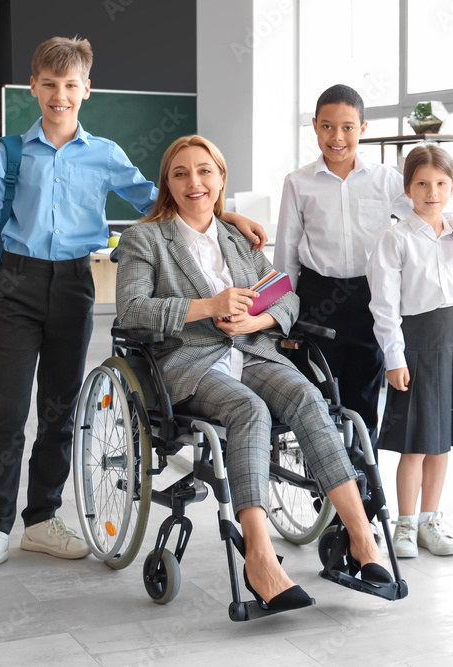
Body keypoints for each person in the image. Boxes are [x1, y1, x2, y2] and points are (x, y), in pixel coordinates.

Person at [0, 37, 265, 580]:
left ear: (86, 90)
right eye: (49, 85)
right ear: (34, 87)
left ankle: (41, 520)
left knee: (59, 408)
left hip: (74, 285)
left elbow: (164, 204)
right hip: (16, 286)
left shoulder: (104, 154)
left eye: (70, 86)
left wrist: (229, 217)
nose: (59, 95)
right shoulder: (7, 155)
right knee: (7, 410)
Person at [115, 134, 392, 612]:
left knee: (309, 398)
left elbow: (285, 294)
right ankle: (260, 557)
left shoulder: (237, 238)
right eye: (180, 173)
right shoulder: (146, 238)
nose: (194, 182)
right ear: (167, 183)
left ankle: (361, 537)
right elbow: (133, 310)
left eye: (205, 171)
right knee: (250, 410)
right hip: (189, 362)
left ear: (221, 178)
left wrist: (259, 320)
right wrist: (209, 306)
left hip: (253, 351)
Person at [274, 84, 453, 442]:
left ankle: (364, 489)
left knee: (363, 399)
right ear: (314, 126)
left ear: (363, 128)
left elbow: (427, 210)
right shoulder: (298, 182)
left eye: (348, 127)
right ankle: (320, 488)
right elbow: (286, 257)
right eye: (327, 126)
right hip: (315, 298)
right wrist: (283, 317)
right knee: (314, 399)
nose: (337, 137)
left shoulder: (385, 179)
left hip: (367, 297)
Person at [367, 145, 453, 558]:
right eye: (421, 183)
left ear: (452, 188)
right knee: (414, 443)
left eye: (440, 184)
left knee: (442, 442)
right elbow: (384, 306)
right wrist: (395, 359)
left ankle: (430, 521)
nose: (431, 191)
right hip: (416, 344)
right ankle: (403, 523)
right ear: (408, 188)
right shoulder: (394, 239)